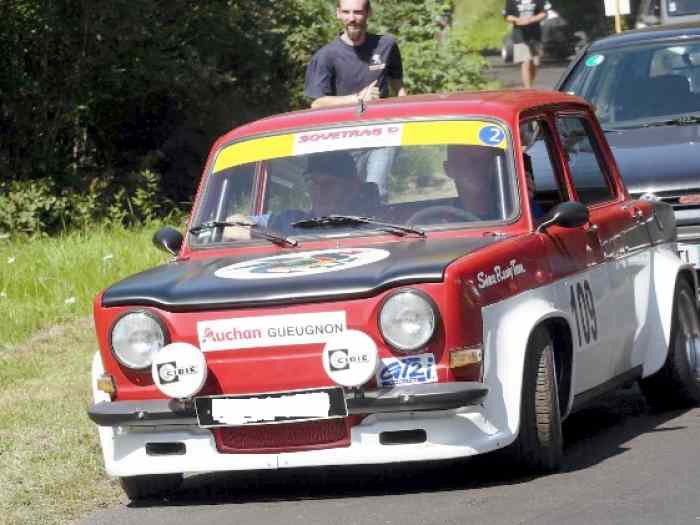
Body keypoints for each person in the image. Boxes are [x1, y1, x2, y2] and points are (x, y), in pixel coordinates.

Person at [304, 0, 407, 200]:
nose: (352, 18)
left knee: (376, 191)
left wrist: (404, 121)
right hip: (344, 141)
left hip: (382, 136)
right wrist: (358, 99)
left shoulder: (387, 45)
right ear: (338, 14)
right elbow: (316, 103)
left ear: (369, 13)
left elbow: (399, 87)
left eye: (358, 12)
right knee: (347, 198)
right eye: (347, 12)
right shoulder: (326, 56)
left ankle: (380, 229)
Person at [443, 145, 503, 220]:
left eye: (487, 160)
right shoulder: (440, 222)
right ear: (449, 169)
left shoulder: (511, 211)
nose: (480, 168)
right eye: (471, 161)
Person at [504, 0, 547, 88]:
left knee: (535, 63)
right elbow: (507, 16)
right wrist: (517, 19)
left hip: (535, 34)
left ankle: (529, 83)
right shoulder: (512, 1)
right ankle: (527, 89)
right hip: (519, 34)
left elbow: (543, 13)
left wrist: (531, 19)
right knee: (525, 61)